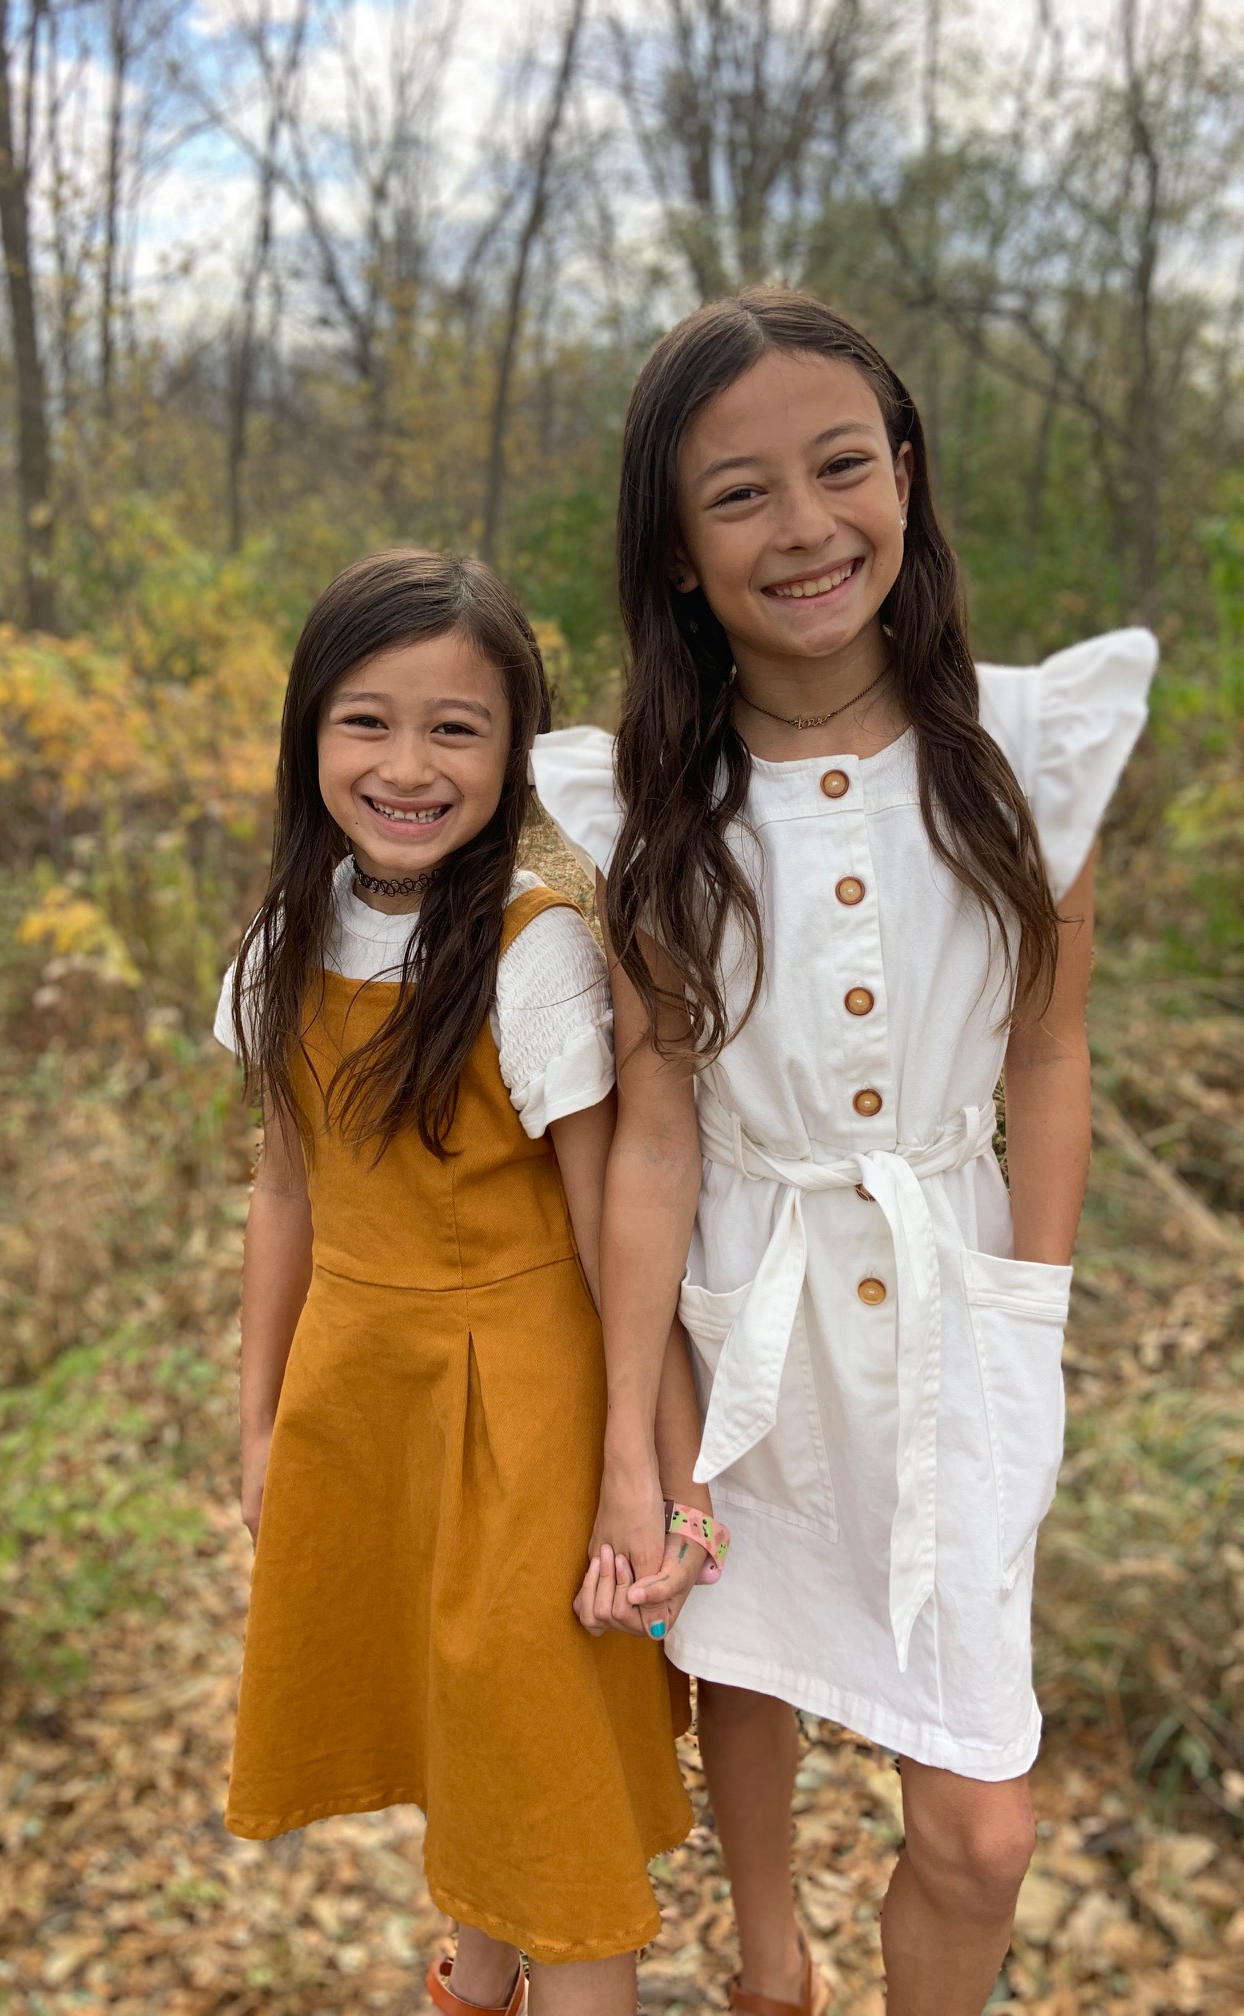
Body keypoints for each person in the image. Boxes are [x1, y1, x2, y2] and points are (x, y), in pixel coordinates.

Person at [535, 291, 1157, 2016]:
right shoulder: (650, 807)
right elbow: (657, 1139)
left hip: (955, 1300)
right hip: (748, 1290)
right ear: (676, 550)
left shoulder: (1026, 752)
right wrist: (630, 1439)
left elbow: (1049, 1049)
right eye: (740, 494)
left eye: (839, 467)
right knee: (747, 1655)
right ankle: (770, 1964)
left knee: (979, 1833)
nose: (805, 527)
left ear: (905, 471)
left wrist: (1028, 1307)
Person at [215, 549, 719, 2016]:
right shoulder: (286, 940)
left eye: (457, 728)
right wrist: (260, 1422)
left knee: (551, 1803)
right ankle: (475, 1985)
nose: (407, 766)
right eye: (366, 722)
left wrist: (652, 1472)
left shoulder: (533, 953)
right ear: (310, 733)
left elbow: (612, 1243)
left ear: (515, 751)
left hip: (525, 1421)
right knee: (467, 1756)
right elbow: (287, 1190)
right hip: (366, 1404)